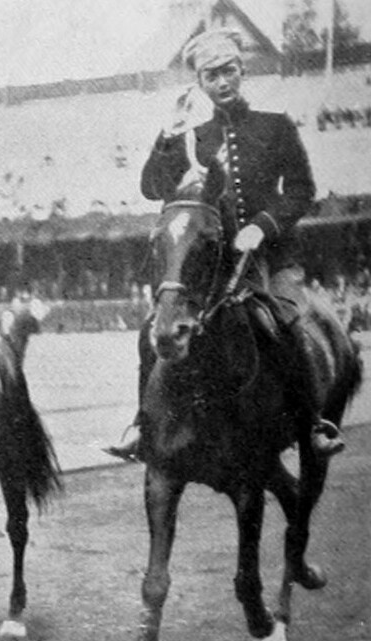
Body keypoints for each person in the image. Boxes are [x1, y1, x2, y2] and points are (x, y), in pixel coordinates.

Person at [107, 28, 343, 462]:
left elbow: (301, 189)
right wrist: (167, 135)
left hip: (272, 256)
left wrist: (262, 226)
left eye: (229, 71)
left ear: (242, 71)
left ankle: (312, 425)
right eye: (211, 75)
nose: (222, 82)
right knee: (152, 330)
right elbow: (152, 187)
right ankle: (143, 426)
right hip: (216, 263)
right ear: (201, 83)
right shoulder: (194, 135)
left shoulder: (275, 127)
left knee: (287, 322)